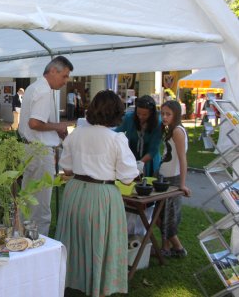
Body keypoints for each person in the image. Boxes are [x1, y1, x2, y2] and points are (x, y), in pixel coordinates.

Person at [55, 90, 139, 297]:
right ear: (117, 112)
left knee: (74, 240)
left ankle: (71, 281)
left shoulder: (76, 135)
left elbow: (66, 169)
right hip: (102, 194)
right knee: (100, 242)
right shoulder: (116, 139)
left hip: (75, 191)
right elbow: (128, 177)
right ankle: (98, 288)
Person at [18, 56, 72, 235]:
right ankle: (39, 243)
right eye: (64, 76)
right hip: (39, 151)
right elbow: (34, 123)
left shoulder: (35, 87)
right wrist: (57, 126)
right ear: (53, 71)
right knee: (41, 206)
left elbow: (35, 123)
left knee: (28, 200)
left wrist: (55, 130)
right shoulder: (43, 91)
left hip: (31, 148)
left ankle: (23, 237)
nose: (66, 81)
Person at [159, 100, 191, 258]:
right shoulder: (170, 129)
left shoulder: (178, 131)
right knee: (162, 214)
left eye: (168, 114)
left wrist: (182, 184)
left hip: (173, 178)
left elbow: (182, 159)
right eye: (162, 113)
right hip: (165, 176)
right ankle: (165, 248)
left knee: (169, 217)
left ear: (176, 115)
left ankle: (178, 249)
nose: (164, 117)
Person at [114, 95, 162, 177]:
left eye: (144, 115)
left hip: (150, 161)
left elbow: (153, 150)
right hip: (131, 158)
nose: (140, 117)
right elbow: (115, 133)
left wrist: (140, 164)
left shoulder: (158, 124)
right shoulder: (129, 118)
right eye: (138, 113)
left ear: (151, 114)